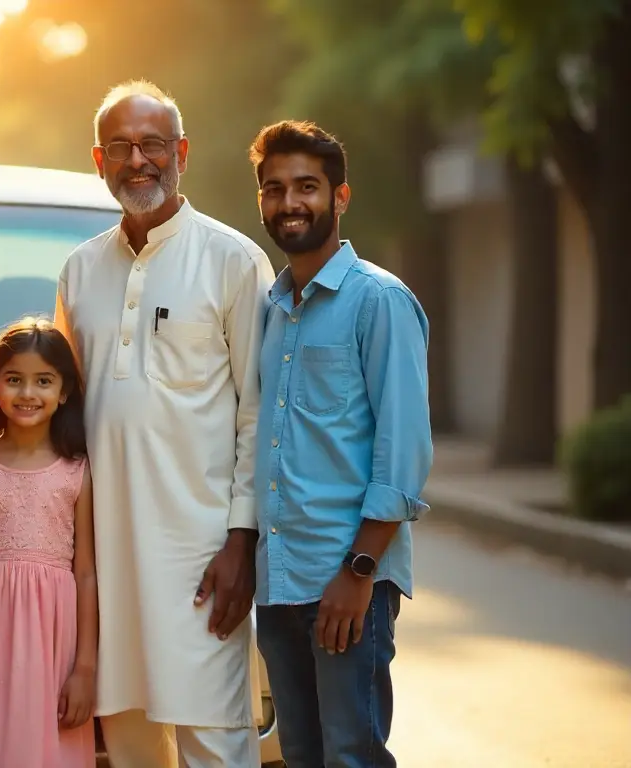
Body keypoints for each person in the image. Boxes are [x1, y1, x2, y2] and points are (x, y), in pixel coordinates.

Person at [53, 80, 276, 767]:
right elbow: (64, 414)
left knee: (217, 743)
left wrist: (243, 540)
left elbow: (259, 412)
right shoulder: (79, 270)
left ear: (181, 153)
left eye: (152, 144)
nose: (137, 161)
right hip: (106, 558)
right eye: (120, 147)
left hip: (202, 557)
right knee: (129, 745)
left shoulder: (233, 260)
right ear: (99, 160)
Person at [247, 120, 433, 768]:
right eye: (275, 188)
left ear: (340, 197)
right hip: (279, 583)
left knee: (352, 755)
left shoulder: (378, 300)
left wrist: (358, 573)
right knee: (299, 756)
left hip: (348, 581)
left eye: (307, 186)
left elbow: (404, 451)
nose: (290, 202)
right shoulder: (271, 309)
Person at [0, 317, 99, 768]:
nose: (28, 392)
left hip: (54, 634)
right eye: (14, 380)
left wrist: (85, 668)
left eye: (43, 381)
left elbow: (86, 573)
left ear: (64, 391)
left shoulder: (78, 472)